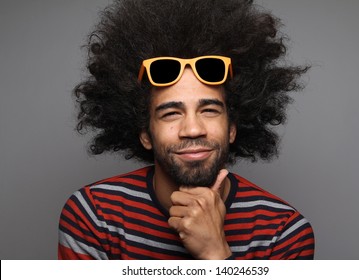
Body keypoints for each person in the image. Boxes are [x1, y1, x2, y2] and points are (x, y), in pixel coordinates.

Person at [58, 0, 314, 260]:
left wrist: (216, 253)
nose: (192, 129)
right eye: (171, 113)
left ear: (233, 128)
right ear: (145, 134)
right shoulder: (94, 215)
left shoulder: (284, 233)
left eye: (209, 110)